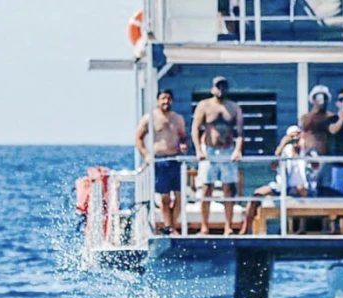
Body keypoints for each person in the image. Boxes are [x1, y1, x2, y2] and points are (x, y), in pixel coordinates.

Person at [240, 126, 319, 234]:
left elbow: (316, 165)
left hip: (303, 187)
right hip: (282, 185)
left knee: (301, 189)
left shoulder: (309, 151)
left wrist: (306, 149)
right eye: (292, 137)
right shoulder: (284, 151)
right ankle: (245, 228)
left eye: (298, 136)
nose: (295, 140)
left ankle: (302, 228)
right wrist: (282, 145)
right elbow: (273, 165)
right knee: (257, 194)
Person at [191, 76, 243, 235]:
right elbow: (195, 128)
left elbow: (240, 132)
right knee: (207, 188)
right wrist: (199, 150)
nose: (221, 90)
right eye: (218, 86)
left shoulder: (234, 107)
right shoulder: (204, 106)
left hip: (227, 151)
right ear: (213, 88)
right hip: (210, 151)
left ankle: (228, 227)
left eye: (223, 86)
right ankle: (204, 227)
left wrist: (238, 150)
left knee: (229, 189)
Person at [134, 89, 188, 236]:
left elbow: (183, 137)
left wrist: (184, 145)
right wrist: (146, 155)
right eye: (163, 98)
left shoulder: (177, 118)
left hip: (175, 160)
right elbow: (138, 138)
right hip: (159, 161)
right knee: (164, 197)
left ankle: (173, 226)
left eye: (169, 99)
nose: (166, 102)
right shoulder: (150, 118)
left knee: (179, 196)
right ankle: (168, 226)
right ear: (158, 100)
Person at [300, 85, 335, 156]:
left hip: (326, 154)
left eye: (323, 98)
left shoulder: (331, 117)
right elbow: (304, 126)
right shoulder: (306, 117)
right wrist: (315, 110)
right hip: (309, 154)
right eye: (318, 97)